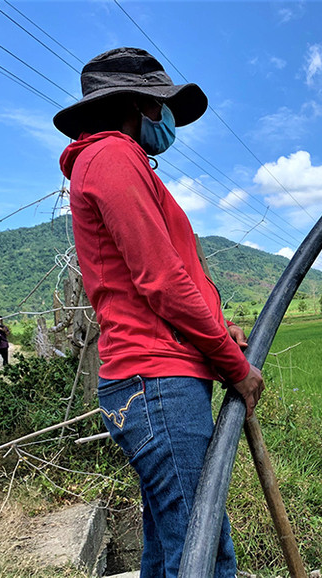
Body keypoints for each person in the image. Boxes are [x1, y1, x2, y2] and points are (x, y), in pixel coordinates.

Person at [53, 47, 264, 578]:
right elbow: (161, 280)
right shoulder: (110, 158)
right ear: (135, 105)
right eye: (159, 106)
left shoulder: (117, 162)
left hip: (156, 382)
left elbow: (170, 274)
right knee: (202, 556)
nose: (166, 119)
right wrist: (235, 365)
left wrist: (219, 329)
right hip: (157, 382)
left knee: (170, 546)